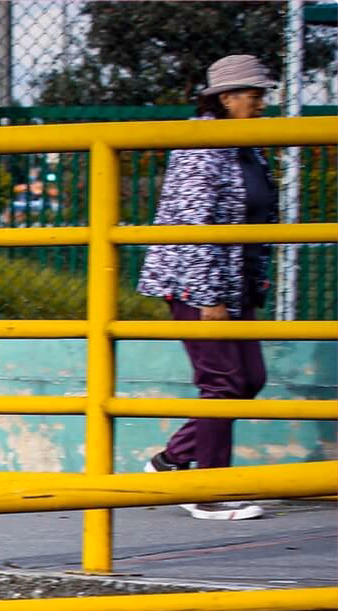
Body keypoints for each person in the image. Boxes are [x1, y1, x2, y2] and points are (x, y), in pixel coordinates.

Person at [135, 54, 280, 521]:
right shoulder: (202, 145)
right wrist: (208, 297)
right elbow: (193, 227)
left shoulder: (246, 145)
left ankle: (173, 461)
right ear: (225, 98)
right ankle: (207, 492)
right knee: (222, 382)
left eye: (261, 96)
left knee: (249, 379)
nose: (260, 104)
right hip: (197, 284)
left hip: (234, 282)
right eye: (252, 96)